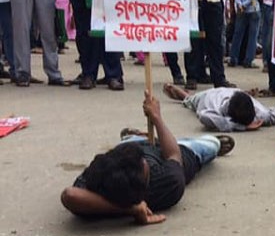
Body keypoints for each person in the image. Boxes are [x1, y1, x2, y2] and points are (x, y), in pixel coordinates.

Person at [60, 90, 235, 225]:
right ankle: (209, 143)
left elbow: (69, 195)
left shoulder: (98, 177)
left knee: (133, 143)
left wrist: (123, 208)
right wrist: (157, 118)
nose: (146, 161)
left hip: (134, 146)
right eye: (145, 166)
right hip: (182, 151)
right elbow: (173, 154)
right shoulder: (167, 182)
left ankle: (136, 138)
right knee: (210, 144)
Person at [162, 72, 275, 132]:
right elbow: (202, 116)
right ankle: (185, 96)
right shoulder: (212, 109)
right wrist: (241, 126)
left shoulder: (260, 114)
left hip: (234, 93)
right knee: (191, 100)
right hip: (210, 96)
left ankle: (185, 95)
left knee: (193, 100)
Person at [228, 0, 261, 68]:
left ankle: (233, 59)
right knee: (252, 37)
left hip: (240, 9)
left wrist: (239, 4)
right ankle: (248, 60)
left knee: (237, 35)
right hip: (253, 8)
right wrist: (245, 4)